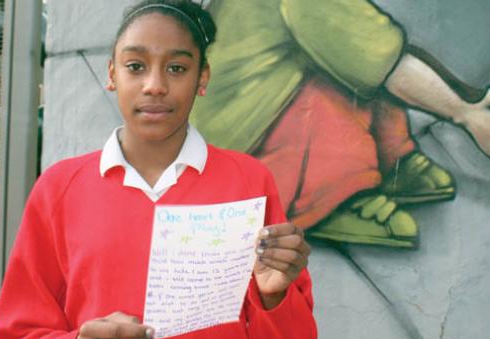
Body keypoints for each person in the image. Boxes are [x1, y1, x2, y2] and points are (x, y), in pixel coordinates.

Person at [0, 1, 317, 339]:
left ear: (202, 78)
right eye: (135, 66)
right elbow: (17, 337)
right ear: (112, 74)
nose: (155, 85)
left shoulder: (249, 182)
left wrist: (274, 297)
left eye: (177, 68)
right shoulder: (59, 189)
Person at [190, 0, 490, 247]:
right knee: (331, 94)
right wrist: (465, 113)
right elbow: (383, 60)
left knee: (353, 73)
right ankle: (333, 199)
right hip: (245, 149)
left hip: (252, 108)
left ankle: (392, 164)